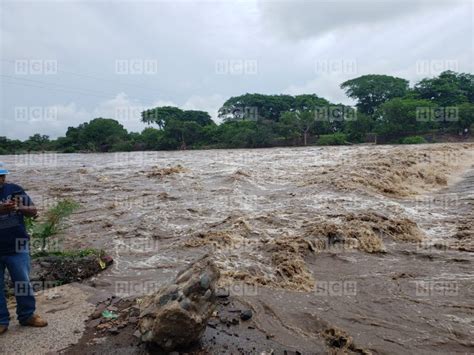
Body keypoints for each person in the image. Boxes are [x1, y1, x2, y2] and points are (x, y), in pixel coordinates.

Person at [0, 163, 48, 335]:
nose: (2, 179)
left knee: (22, 283)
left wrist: (18, 208)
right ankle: (1, 321)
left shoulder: (15, 190)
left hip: (17, 245)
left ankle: (27, 315)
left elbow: (33, 211)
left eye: (3, 176)